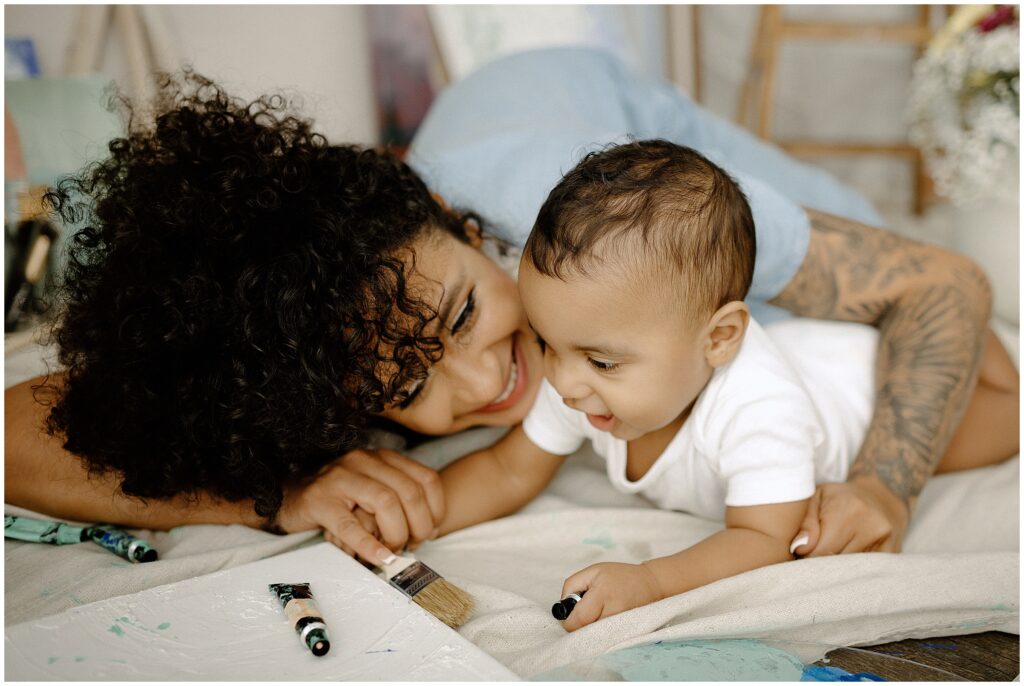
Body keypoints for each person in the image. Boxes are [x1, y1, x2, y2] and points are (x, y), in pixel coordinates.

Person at [3, 49, 1016, 564]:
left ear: (458, 218)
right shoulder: (327, 333)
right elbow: (20, 432)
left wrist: (885, 483)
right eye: (405, 383)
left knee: (976, 393)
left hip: (638, 168)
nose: (489, 382)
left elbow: (943, 283)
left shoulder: (596, 219)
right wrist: (279, 491)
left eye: (459, 318)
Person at [425, 139, 1018, 630]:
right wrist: (420, 511)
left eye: (601, 363)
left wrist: (650, 581)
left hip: (866, 389)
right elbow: (508, 470)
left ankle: (992, 342)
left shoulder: (757, 406)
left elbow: (763, 538)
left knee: (1008, 419)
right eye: (546, 343)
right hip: (812, 356)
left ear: (719, 339)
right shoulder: (579, 374)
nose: (564, 383)